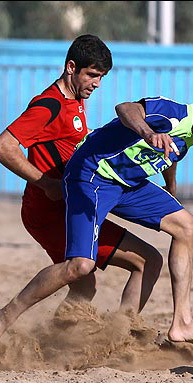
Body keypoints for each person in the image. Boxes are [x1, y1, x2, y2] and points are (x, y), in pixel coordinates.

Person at [0, 80, 193, 348]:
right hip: (91, 176)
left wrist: (171, 187)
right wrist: (147, 132)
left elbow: (171, 154)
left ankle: (158, 326)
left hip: (125, 184)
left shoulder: (189, 135)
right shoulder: (170, 113)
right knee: (81, 267)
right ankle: (5, 317)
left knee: (185, 228)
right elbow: (126, 109)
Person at [0, 35, 163, 335]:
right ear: (71, 68)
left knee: (90, 284)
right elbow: (4, 146)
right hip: (48, 210)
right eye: (92, 75)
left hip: (71, 206)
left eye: (101, 77)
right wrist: (45, 182)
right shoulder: (48, 105)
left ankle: (59, 342)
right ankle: (4, 319)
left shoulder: (75, 100)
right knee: (86, 269)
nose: (97, 83)